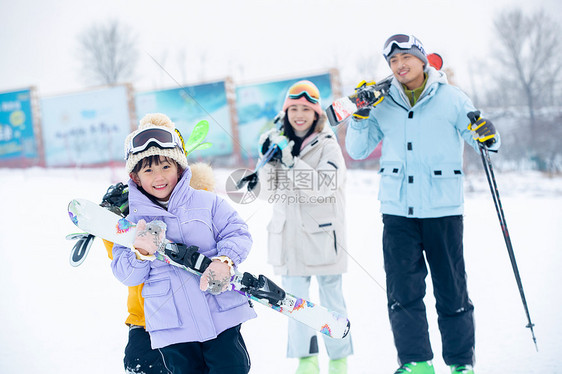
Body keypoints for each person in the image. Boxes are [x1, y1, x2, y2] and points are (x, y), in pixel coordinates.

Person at [345, 34, 500, 374]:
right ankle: (416, 362)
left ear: (421, 59)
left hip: (442, 210)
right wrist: (360, 115)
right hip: (397, 211)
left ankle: (461, 363)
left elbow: (483, 141)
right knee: (403, 290)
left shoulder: (452, 99)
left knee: (452, 288)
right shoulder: (382, 102)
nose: (399, 65)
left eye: (405, 58)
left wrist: (488, 134)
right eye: (392, 61)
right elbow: (356, 151)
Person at [111, 113, 256, 374]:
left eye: (166, 166)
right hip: (172, 327)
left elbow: (238, 232)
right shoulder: (133, 223)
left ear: (179, 167)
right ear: (135, 178)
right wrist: (140, 254)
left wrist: (225, 260)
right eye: (149, 170)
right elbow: (125, 274)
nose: (159, 176)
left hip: (219, 315)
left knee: (232, 368)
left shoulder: (207, 202)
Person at [257, 80, 353, 374]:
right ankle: (306, 360)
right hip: (288, 237)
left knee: (331, 301)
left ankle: (338, 359)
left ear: (315, 114)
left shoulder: (327, 146)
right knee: (295, 303)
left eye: (305, 109)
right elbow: (267, 193)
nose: (299, 114)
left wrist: (291, 162)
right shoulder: (277, 144)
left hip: (323, 236)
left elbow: (324, 185)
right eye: (293, 108)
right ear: (286, 113)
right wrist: (267, 160)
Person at [101, 162, 216, 373]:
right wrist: (115, 225)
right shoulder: (136, 204)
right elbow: (120, 263)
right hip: (145, 321)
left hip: (195, 321)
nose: (157, 175)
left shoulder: (198, 199)